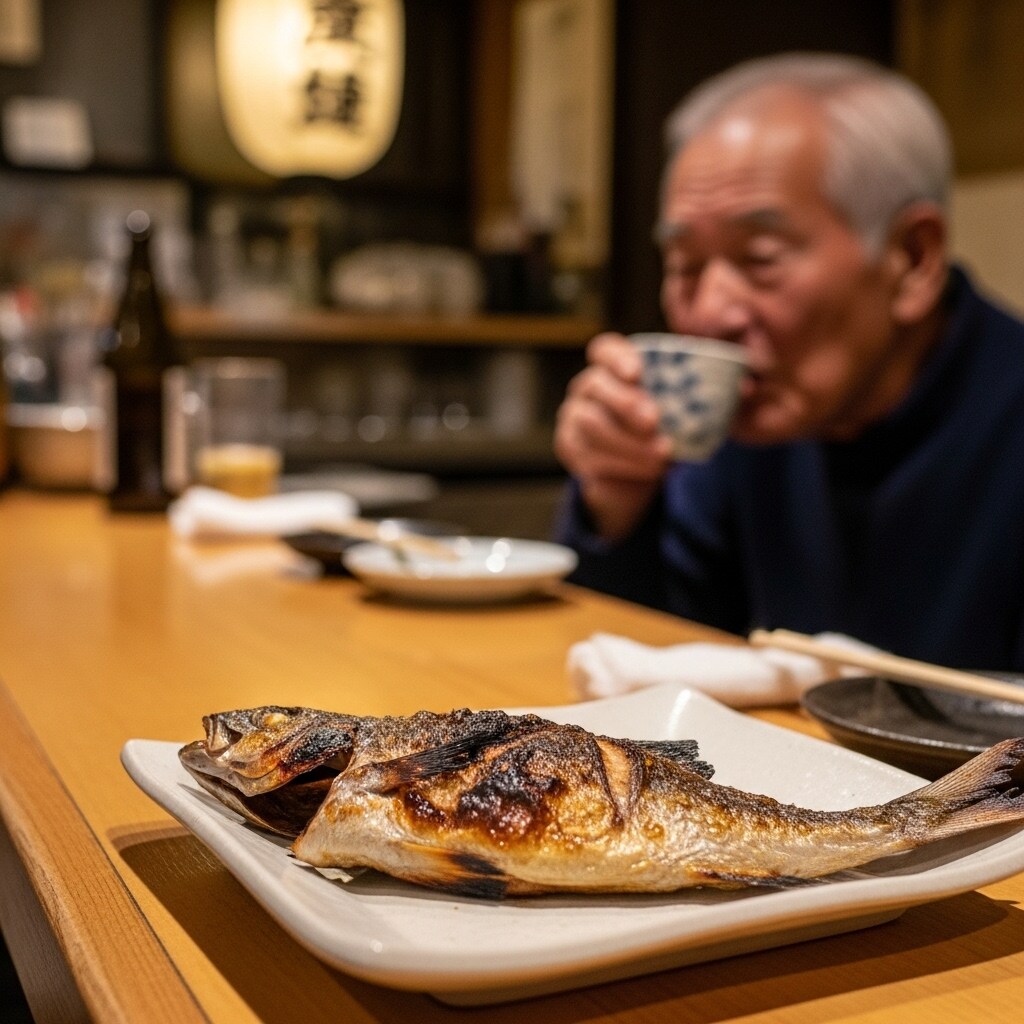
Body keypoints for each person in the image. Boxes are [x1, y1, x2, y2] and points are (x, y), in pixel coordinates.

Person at [553, 51, 1024, 671]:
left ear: (912, 258)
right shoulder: (757, 418)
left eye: (761, 258)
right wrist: (617, 505)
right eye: (685, 265)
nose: (712, 313)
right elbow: (661, 670)